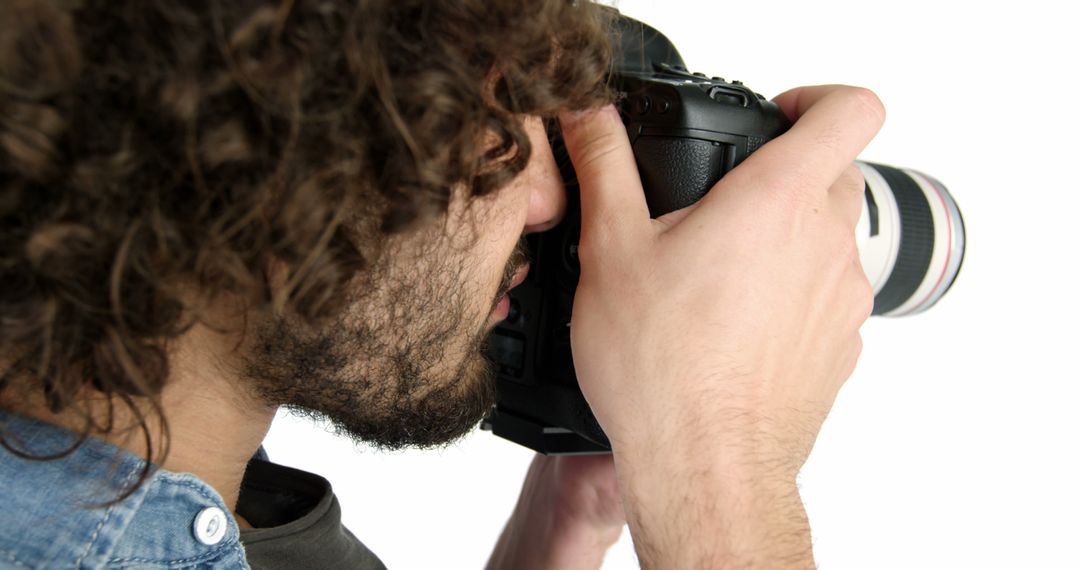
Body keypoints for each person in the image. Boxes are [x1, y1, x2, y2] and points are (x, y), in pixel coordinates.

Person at [0, 0, 880, 568]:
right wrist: (717, 463)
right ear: (278, 122)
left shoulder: (178, 500)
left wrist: (576, 518)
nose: (547, 199)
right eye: (501, 117)